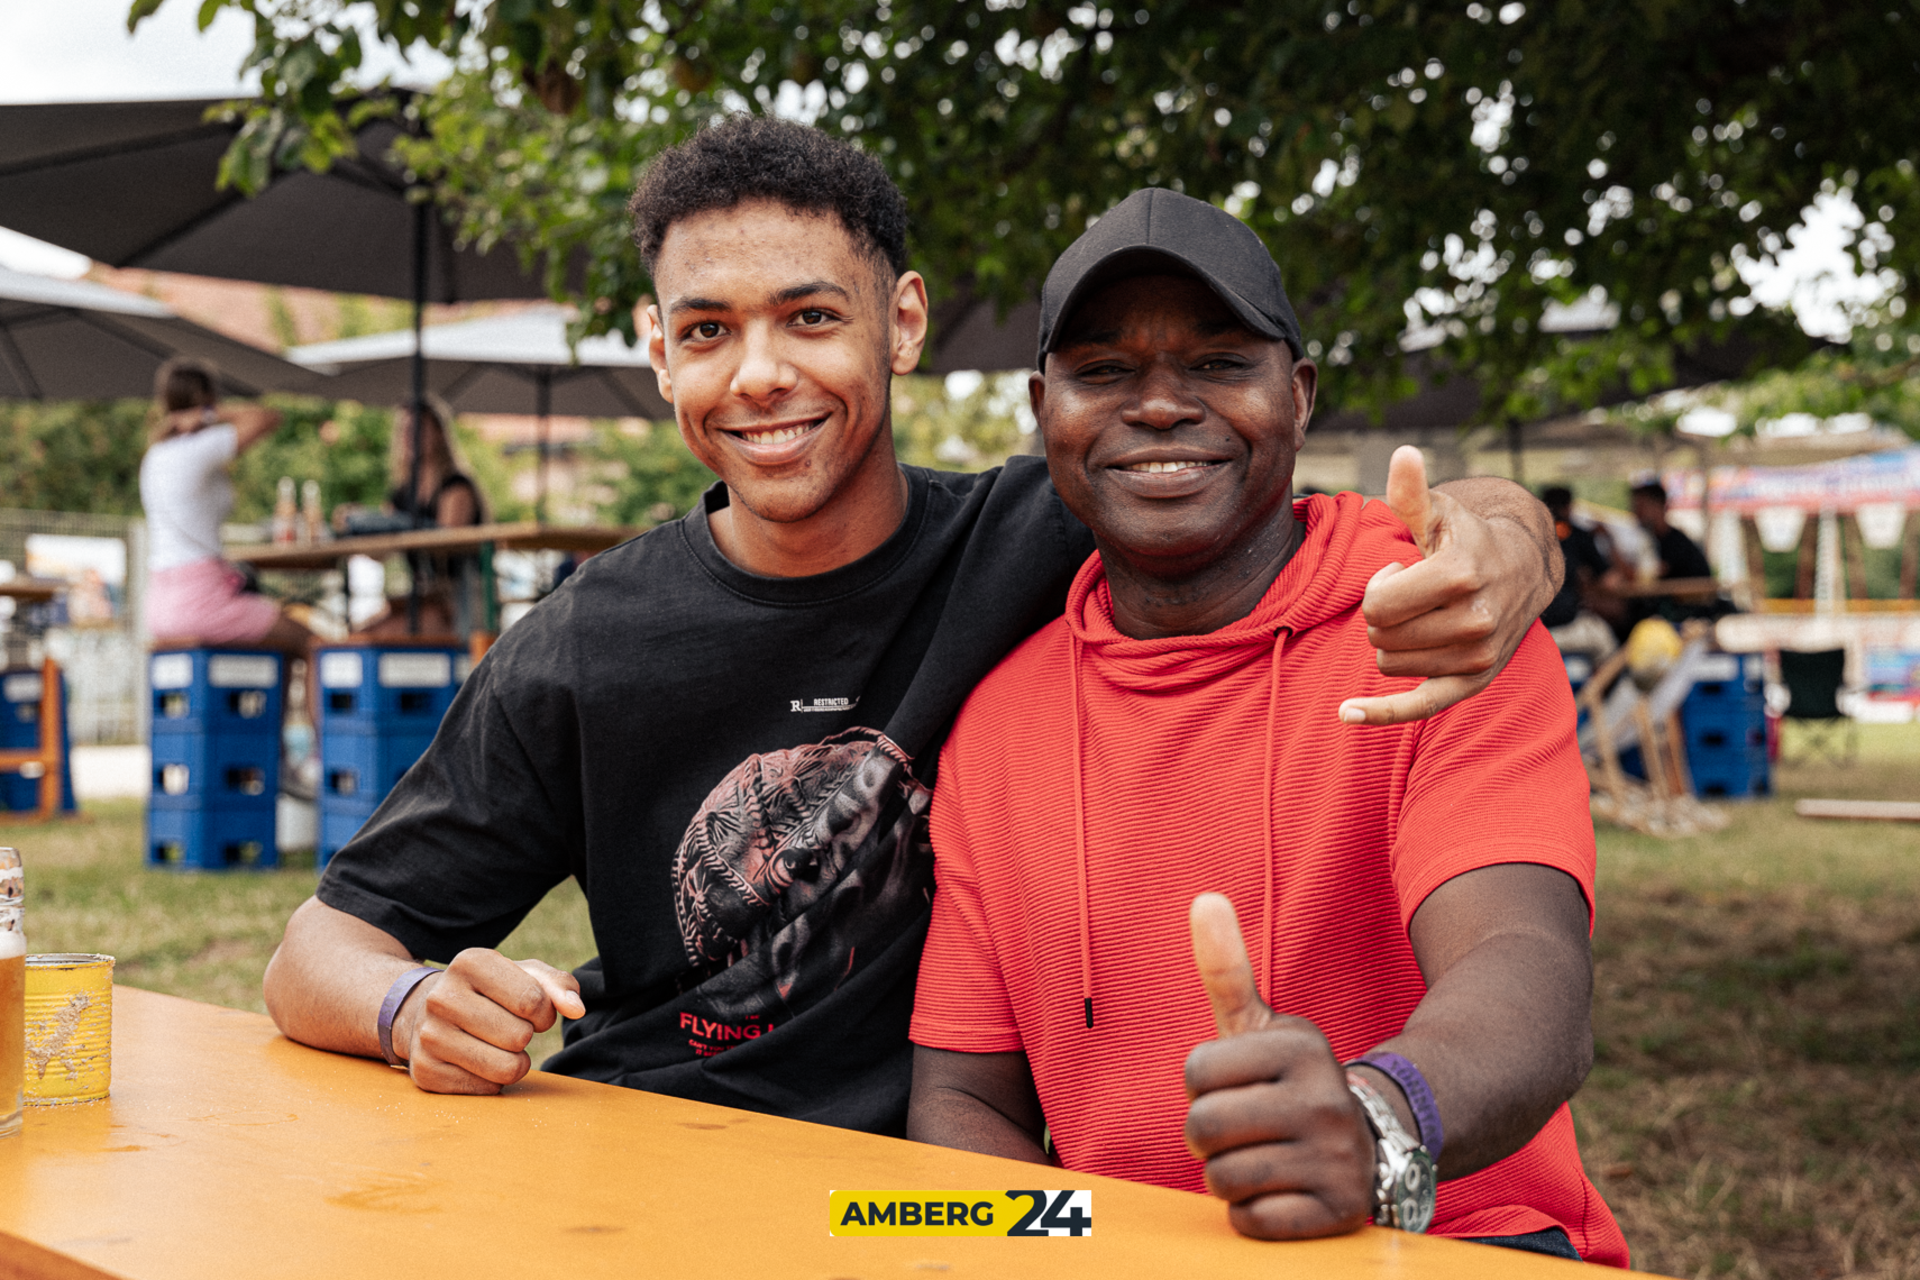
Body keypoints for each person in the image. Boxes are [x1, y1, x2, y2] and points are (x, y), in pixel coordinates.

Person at [262, 119, 1564, 1137]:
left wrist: (1513, 535)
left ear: (903, 325)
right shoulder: (587, 641)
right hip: (640, 1136)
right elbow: (314, 949)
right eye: (709, 331)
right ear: (660, 358)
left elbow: (1298, 505)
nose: (760, 374)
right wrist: (411, 1005)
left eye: (810, 317)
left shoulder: (1044, 529)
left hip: (915, 1182)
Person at [904, 189, 1626, 1265]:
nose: (1158, 406)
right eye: (1103, 371)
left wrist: (1379, 1116)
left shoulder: (1438, 616)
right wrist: (1071, 1249)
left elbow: (1527, 967)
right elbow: (964, 1093)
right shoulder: (999, 719)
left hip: (1454, 1241)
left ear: (1298, 397)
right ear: (1041, 406)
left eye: (1217, 363)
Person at [140, 357, 313, 656]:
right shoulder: (198, 450)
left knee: (276, 641)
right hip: (200, 600)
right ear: (207, 398)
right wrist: (208, 414)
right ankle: (298, 705)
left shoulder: (155, 456)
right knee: (311, 642)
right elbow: (268, 417)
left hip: (159, 603)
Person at [352, 395, 486, 637]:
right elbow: (381, 552)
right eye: (404, 430)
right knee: (355, 635)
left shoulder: (457, 487)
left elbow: (445, 544)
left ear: (439, 434)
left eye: (418, 429)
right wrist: (358, 526)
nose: (409, 436)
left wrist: (394, 528)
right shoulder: (402, 492)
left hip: (458, 601)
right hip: (423, 599)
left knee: (372, 637)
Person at [1538, 485, 1621, 658]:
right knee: (1608, 647)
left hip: (1532, 631)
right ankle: (1600, 685)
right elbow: (1611, 581)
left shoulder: (1528, 537)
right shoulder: (1576, 535)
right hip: (1567, 626)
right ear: (1569, 507)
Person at [1629, 481, 1710, 582]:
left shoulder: (1677, 542)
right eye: (1635, 508)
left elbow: (1649, 574)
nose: (1637, 513)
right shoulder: (1650, 539)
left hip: (1695, 597)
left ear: (1659, 506)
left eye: (1641, 507)